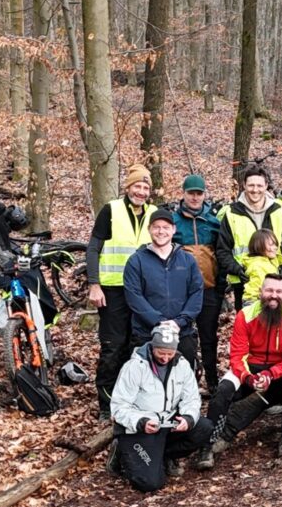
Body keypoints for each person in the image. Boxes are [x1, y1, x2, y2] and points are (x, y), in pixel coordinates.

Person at [197, 274, 282, 466]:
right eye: (269, 290)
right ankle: (208, 445)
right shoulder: (246, 314)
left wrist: (271, 373)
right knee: (223, 391)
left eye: (278, 291)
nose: (273, 295)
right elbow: (238, 355)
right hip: (250, 367)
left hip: (279, 368)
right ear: (261, 292)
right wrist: (247, 377)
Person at [85, 164, 158, 420]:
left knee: (138, 346)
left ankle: (132, 398)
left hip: (143, 293)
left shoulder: (155, 214)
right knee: (112, 347)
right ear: (128, 187)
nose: (141, 191)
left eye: (145, 187)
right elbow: (93, 248)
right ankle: (106, 405)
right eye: (137, 186)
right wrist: (94, 283)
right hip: (113, 289)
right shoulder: (111, 210)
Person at [106, 322, 213, 492]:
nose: (165, 358)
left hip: (168, 423)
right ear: (152, 347)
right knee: (149, 483)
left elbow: (191, 398)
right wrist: (141, 421)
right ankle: (121, 451)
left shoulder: (182, 364)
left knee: (204, 428)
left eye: (169, 353)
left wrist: (187, 418)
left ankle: (164, 455)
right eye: (161, 353)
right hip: (139, 428)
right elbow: (118, 407)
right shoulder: (134, 367)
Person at [122, 211, 204, 370]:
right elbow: (134, 296)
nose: (161, 231)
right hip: (146, 334)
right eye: (156, 227)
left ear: (173, 229)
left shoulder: (188, 260)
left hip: (182, 333)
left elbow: (196, 292)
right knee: (145, 382)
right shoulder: (136, 261)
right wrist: (159, 322)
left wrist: (179, 322)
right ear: (149, 229)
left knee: (183, 381)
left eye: (166, 227)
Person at [216, 165, 282, 309]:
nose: (255, 189)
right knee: (249, 327)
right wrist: (237, 270)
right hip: (244, 283)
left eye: (259, 185)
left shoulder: (278, 210)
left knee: (274, 326)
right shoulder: (232, 213)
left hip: (275, 283)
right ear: (244, 185)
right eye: (251, 185)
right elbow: (222, 250)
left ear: (266, 186)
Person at [173, 173, 224, 392]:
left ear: (205, 195)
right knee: (184, 338)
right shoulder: (172, 222)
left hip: (209, 289)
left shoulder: (214, 222)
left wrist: (221, 284)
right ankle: (186, 383)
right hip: (180, 292)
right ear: (183, 194)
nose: (195, 198)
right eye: (191, 193)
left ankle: (212, 382)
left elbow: (222, 253)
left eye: (199, 193)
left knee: (209, 336)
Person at [242, 229, 282, 305]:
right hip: (257, 303)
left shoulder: (270, 260)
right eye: (271, 245)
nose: (275, 248)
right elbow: (255, 292)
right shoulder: (258, 265)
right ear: (259, 245)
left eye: (275, 244)